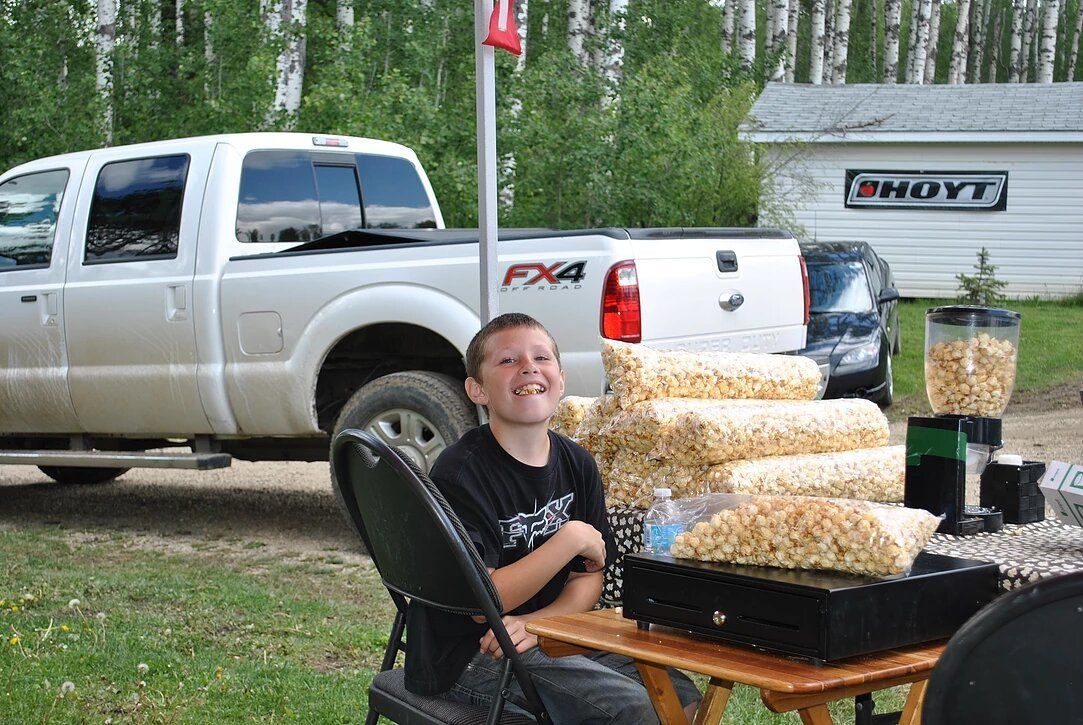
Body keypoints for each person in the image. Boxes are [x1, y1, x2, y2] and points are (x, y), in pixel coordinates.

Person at [404, 312, 701, 723]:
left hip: (547, 631)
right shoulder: (460, 473)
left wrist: (539, 624)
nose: (528, 366)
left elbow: (588, 578)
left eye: (541, 357)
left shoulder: (577, 463)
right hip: (472, 653)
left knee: (680, 695)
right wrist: (569, 539)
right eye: (507, 360)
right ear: (477, 389)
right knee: (632, 710)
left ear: (559, 380)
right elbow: (479, 603)